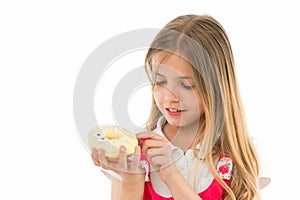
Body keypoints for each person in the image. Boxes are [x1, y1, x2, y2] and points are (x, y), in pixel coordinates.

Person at [91, 14, 261, 200]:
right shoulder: (135, 156)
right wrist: (132, 182)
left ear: (217, 88)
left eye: (187, 85)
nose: (169, 98)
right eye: (160, 81)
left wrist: (171, 176)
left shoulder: (237, 155)